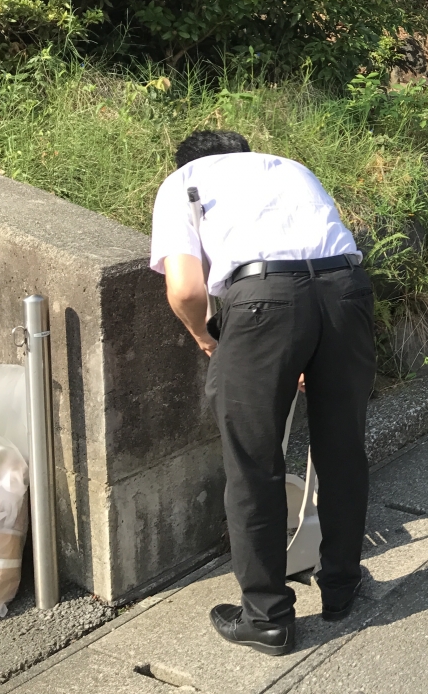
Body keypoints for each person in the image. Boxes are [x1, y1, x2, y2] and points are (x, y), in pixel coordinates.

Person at [149, 130, 375, 655]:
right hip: (347, 293)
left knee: (253, 462)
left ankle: (267, 617)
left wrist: (208, 338)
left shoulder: (184, 180)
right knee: (343, 450)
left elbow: (185, 289)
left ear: (190, 161)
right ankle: (342, 587)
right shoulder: (291, 166)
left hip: (263, 302)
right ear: (245, 150)